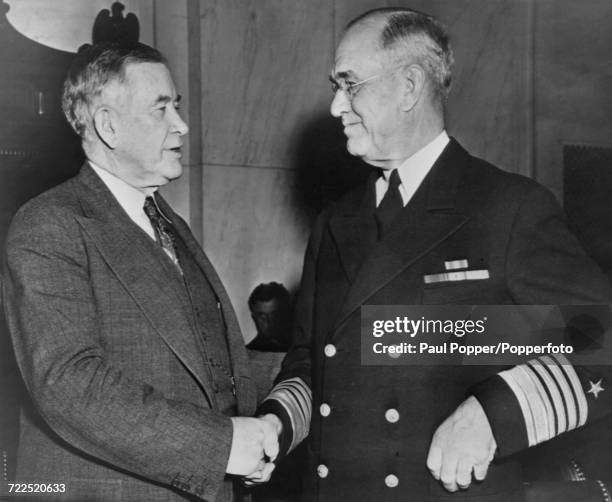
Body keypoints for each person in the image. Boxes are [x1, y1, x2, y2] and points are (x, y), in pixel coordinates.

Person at [256, 8, 612, 501]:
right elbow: (309, 364)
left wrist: (495, 413)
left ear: (408, 86)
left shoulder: (507, 207)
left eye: (350, 84)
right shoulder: (334, 222)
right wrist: (275, 425)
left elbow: (600, 339)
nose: (337, 105)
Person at [2, 42, 279, 501]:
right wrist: (222, 445)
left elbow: (206, 365)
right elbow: (70, 384)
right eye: (161, 108)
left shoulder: (168, 221)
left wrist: (305, 379)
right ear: (109, 125)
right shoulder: (49, 223)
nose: (182, 125)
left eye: (178, 106)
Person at [247, 282, 293, 352]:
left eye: (275, 315)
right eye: (263, 317)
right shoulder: (248, 353)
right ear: (254, 319)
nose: (270, 321)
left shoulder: (301, 347)